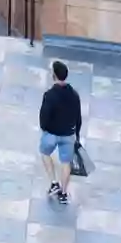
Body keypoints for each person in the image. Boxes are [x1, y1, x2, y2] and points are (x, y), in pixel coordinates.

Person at [38, 60, 83, 205]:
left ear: (54, 76)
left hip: (51, 133)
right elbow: (78, 117)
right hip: (68, 134)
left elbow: (44, 115)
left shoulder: (50, 95)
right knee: (65, 163)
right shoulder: (74, 95)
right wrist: (77, 134)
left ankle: (53, 183)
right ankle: (63, 193)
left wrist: (44, 127)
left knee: (45, 154)